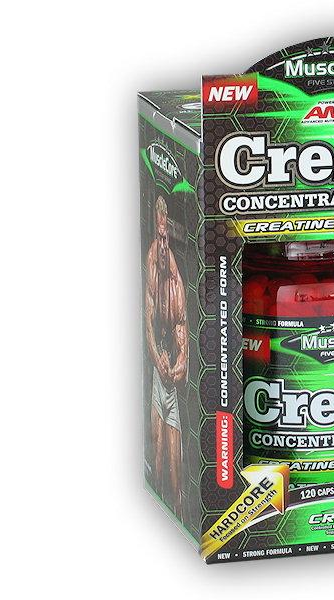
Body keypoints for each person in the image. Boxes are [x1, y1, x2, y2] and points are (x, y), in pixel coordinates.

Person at [145, 195, 188, 515]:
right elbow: (148, 319)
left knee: (176, 467)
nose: (162, 245)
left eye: (165, 238)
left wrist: (181, 360)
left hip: (170, 378)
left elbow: (181, 324)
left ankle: (179, 510)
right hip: (157, 373)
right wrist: (155, 356)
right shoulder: (151, 265)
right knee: (157, 453)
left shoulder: (174, 280)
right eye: (158, 237)